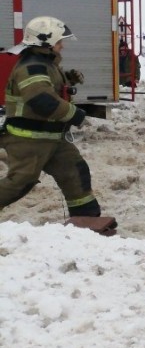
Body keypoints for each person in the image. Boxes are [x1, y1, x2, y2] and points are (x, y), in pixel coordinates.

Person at [0, 16, 100, 217]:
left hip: (51, 138)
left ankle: (86, 219)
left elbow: (48, 86)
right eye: (59, 41)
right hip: (28, 139)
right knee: (20, 182)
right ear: (46, 42)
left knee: (75, 172)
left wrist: (69, 78)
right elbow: (41, 100)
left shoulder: (45, 64)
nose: (62, 46)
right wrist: (75, 114)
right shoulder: (32, 66)